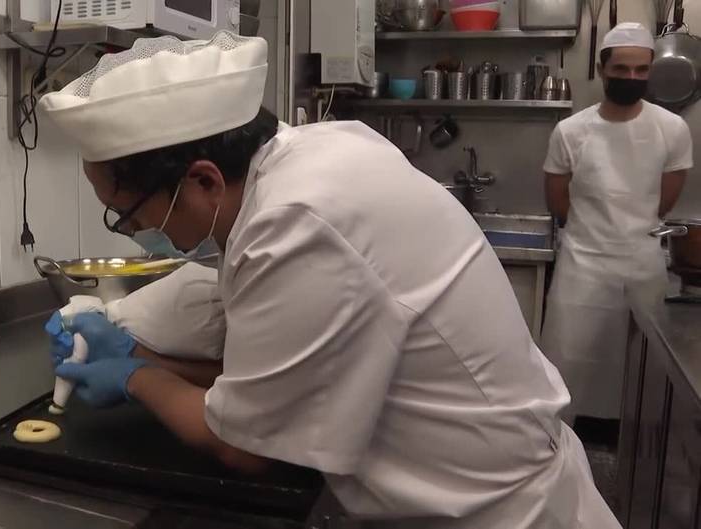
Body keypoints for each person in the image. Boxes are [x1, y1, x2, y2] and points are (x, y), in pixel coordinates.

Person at [39, 32, 620, 528]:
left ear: (204, 181)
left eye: (130, 213)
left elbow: (243, 446)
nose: (134, 230)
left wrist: (137, 378)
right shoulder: (312, 155)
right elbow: (281, 382)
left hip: (498, 513)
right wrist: (144, 354)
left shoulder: (296, 224)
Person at [541, 22, 692, 424]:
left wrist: (627, 227)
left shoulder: (672, 129)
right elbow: (557, 199)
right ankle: (558, 449)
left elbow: (665, 199)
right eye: (622, 70)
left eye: (641, 70)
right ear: (602, 68)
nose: (632, 78)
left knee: (641, 374)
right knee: (566, 364)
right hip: (582, 268)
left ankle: (633, 457)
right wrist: (594, 231)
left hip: (642, 268)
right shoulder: (570, 131)